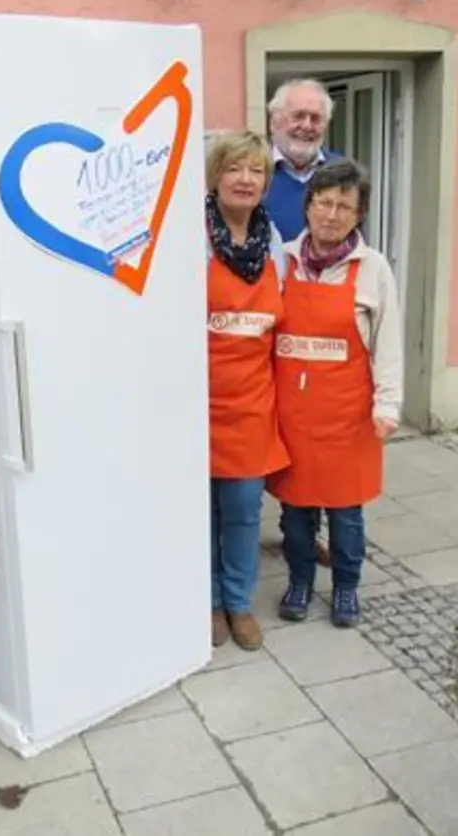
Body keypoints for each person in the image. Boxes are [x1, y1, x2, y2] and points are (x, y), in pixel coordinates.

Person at [269, 158, 403, 629]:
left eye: (344, 206)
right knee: (296, 515)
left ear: (359, 214)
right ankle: (300, 581)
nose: (331, 214)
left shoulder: (373, 269)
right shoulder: (280, 261)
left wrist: (388, 404)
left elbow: (388, 344)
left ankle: (346, 587)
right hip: (294, 420)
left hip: (349, 419)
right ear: (308, 207)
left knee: (346, 517)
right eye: (324, 202)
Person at [203, 130, 289, 652]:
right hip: (198, 404)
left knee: (242, 511)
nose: (245, 179)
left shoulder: (274, 243)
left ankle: (239, 601)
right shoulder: (190, 236)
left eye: (256, 171)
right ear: (216, 176)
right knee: (200, 512)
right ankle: (209, 599)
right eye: (235, 168)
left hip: (253, 404)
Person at [262, 79, 343, 245]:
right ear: (274, 122)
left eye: (315, 118)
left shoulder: (343, 172)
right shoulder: (252, 173)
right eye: (298, 116)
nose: (307, 126)